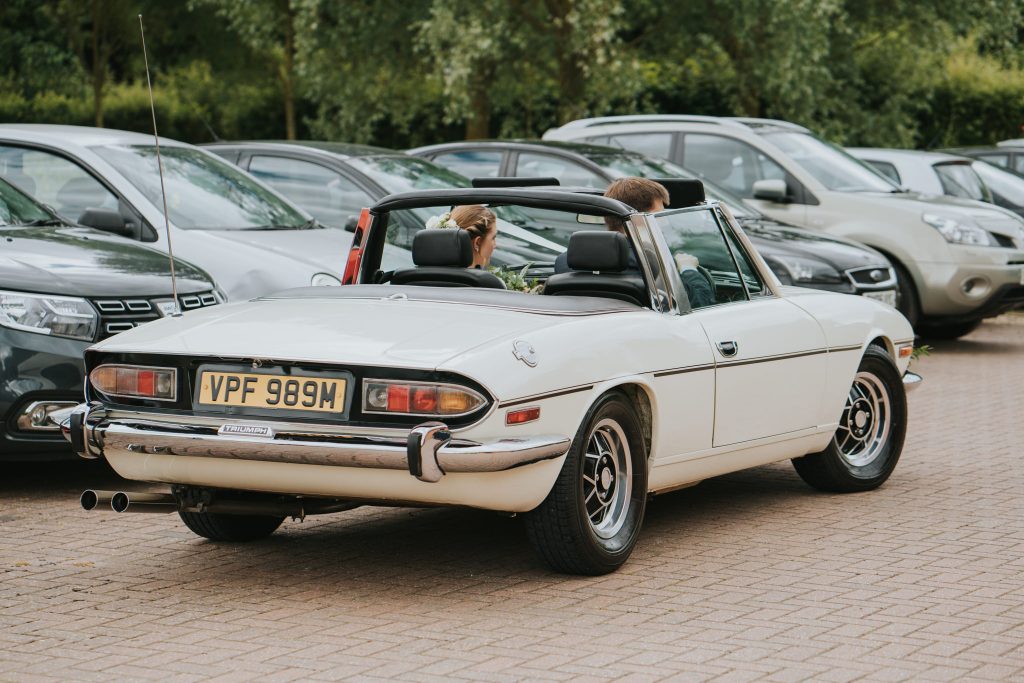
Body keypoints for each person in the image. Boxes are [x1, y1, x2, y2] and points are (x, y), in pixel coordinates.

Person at [556, 177, 716, 309]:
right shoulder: (654, 265)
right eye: (658, 215)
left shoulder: (564, 264)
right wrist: (688, 269)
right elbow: (701, 304)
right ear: (639, 219)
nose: (665, 221)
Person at [429, 204, 497, 269]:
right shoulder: (482, 280)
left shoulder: (429, 274)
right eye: (493, 238)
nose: (495, 245)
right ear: (477, 243)